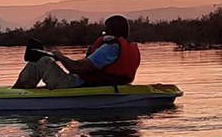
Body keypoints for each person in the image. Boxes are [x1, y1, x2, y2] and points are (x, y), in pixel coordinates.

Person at [13, 15, 141, 89]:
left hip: (76, 85)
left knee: (41, 61)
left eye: (105, 31)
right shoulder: (123, 48)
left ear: (110, 32)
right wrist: (60, 58)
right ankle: (19, 92)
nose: (103, 34)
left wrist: (62, 57)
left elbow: (77, 68)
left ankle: (14, 94)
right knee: (44, 61)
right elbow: (85, 67)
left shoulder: (109, 48)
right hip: (102, 84)